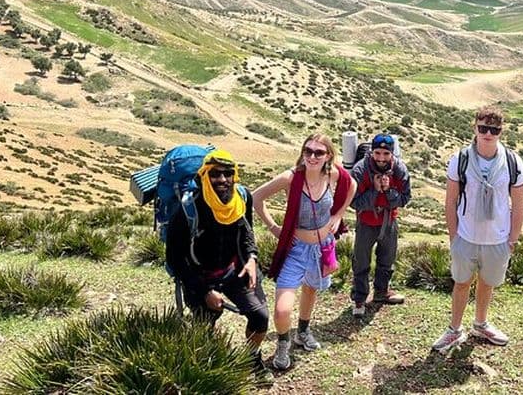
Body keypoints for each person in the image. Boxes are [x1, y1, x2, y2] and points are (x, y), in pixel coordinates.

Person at [165, 149, 271, 384]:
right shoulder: (186, 210)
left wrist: (252, 257)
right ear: (204, 175)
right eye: (215, 174)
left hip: (234, 270)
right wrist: (204, 291)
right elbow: (174, 258)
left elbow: (246, 232)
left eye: (228, 174)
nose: (222, 180)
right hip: (199, 275)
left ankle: (251, 358)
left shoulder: (241, 199)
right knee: (208, 318)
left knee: (260, 317)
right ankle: (210, 360)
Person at [253, 134, 356, 370]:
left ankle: (303, 331)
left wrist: (339, 215)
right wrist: (274, 227)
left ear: (328, 155)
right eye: (308, 151)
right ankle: (282, 343)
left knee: (311, 289)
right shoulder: (290, 178)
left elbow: (352, 185)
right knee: (281, 309)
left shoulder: (332, 173)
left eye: (318, 152)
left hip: (323, 248)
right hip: (296, 249)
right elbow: (256, 198)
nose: (311, 156)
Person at [432, 106, 523, 353]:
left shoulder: (513, 162)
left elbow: (518, 203)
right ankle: (454, 329)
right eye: (483, 128)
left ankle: (480, 323)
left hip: (497, 237)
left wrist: (512, 239)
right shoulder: (460, 159)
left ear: (501, 132)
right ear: (474, 128)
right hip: (466, 235)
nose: (488, 134)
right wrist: (454, 236)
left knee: (487, 283)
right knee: (461, 283)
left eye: (493, 130)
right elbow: (450, 200)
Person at [349, 133, 412, 318]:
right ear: (371, 152)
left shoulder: (399, 169)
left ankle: (381, 292)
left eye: (385, 154)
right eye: (377, 153)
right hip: (366, 222)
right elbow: (353, 202)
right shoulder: (360, 170)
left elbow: (405, 198)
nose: (381, 158)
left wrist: (389, 192)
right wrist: (375, 192)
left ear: (392, 154)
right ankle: (359, 298)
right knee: (361, 260)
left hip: (389, 220)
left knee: (387, 258)